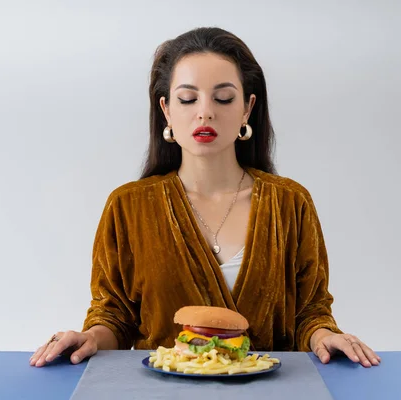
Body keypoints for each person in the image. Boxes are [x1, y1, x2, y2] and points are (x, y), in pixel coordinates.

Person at [30, 27, 380, 369]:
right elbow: (115, 314)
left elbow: (310, 312)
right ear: (166, 109)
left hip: (270, 392)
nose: (205, 112)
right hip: (160, 392)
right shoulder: (128, 207)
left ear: (247, 108)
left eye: (224, 98)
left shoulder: (289, 203)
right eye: (188, 98)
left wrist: (325, 337)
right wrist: (91, 337)